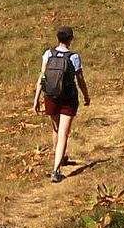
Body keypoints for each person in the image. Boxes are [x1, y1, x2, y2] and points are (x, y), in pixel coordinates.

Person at [32, 26, 91, 181]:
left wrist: (36, 99)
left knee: (56, 129)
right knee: (63, 133)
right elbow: (80, 80)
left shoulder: (48, 54)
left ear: (57, 38)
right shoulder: (74, 57)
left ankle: (60, 157)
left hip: (50, 97)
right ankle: (56, 170)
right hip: (68, 99)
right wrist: (86, 96)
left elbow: (42, 77)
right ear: (71, 39)